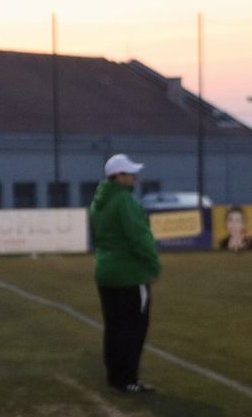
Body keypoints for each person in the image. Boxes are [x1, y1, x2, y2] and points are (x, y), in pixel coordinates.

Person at [89, 153, 160, 394]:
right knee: (133, 328)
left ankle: (115, 377)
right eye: (130, 173)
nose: (134, 177)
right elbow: (140, 237)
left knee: (114, 326)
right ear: (118, 176)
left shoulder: (98, 201)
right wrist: (153, 266)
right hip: (130, 274)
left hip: (105, 271)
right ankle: (128, 379)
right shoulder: (125, 201)